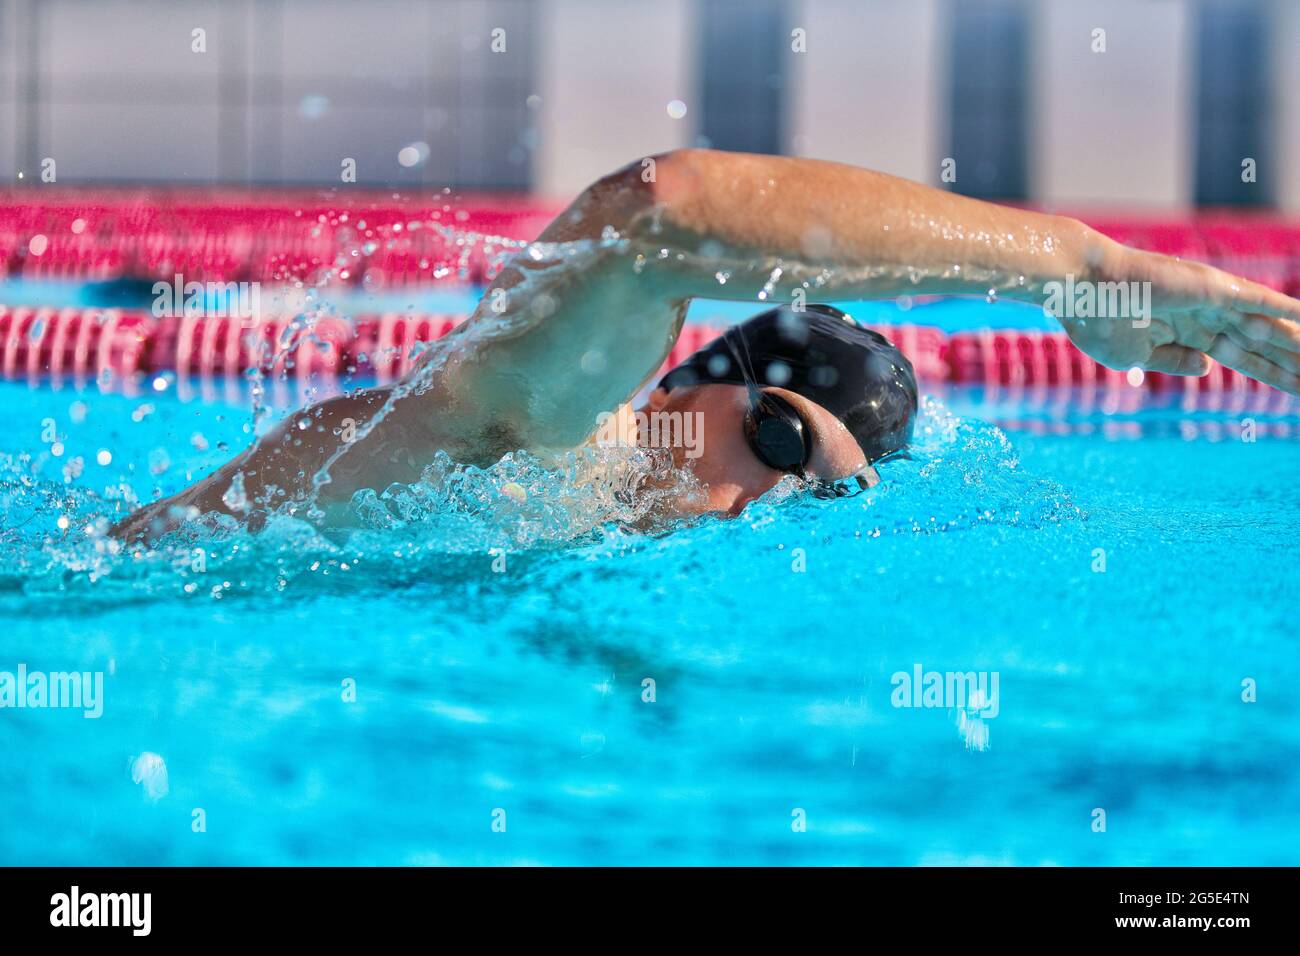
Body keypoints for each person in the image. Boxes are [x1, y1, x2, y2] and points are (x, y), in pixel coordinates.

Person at [111, 149, 1300, 542]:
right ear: (683, 379)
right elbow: (661, 207)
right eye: (778, 436)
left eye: (802, 498)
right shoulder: (548, 421)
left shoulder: (555, 515)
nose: (752, 502)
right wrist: (1082, 266)